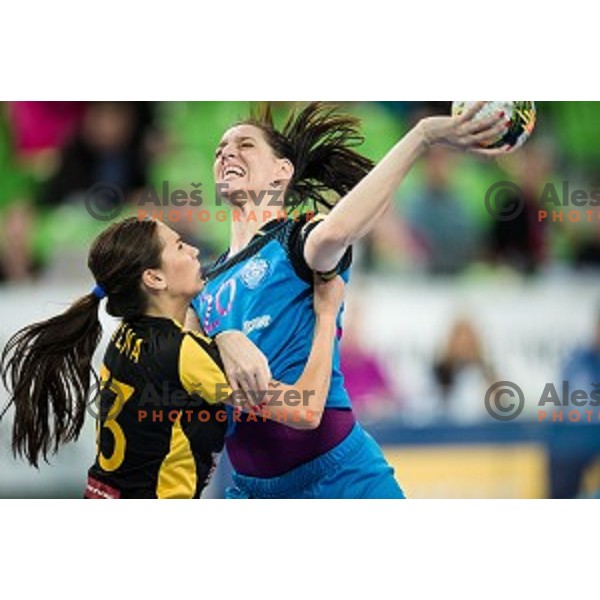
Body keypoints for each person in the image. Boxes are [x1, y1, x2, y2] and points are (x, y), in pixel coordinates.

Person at [191, 101, 507, 499]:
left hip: (344, 478)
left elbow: (337, 232)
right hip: (255, 492)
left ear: (282, 171)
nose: (226, 153)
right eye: (220, 149)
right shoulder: (204, 284)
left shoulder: (296, 239)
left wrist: (422, 135)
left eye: (245, 145)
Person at [0, 217, 344, 499]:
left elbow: (191, 337)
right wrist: (327, 315)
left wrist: (226, 335)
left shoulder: (126, 335)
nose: (195, 250)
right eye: (180, 246)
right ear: (154, 278)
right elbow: (305, 409)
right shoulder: (185, 355)